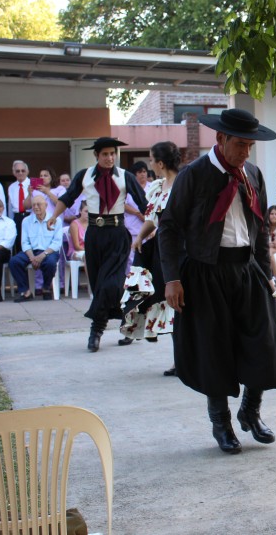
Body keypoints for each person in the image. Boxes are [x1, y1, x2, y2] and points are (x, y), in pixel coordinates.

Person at [158, 108, 276, 455]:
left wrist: (266, 272)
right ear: (220, 139)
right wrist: (172, 278)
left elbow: (260, 227)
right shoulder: (194, 175)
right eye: (241, 145)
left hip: (246, 268)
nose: (246, 152)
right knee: (213, 348)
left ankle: (251, 410)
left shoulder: (253, 174)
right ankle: (221, 421)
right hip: (205, 271)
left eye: (251, 146)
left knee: (266, 343)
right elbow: (169, 227)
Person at [48, 137, 148, 352]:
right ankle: (128, 322)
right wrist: (53, 217)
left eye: (113, 153)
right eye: (105, 154)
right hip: (94, 236)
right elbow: (68, 197)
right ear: (96, 155)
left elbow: (144, 204)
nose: (110, 158)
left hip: (118, 235)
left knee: (110, 284)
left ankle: (96, 330)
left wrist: (159, 223)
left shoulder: (125, 177)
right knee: (100, 285)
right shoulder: (84, 176)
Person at [119, 142, 180, 377]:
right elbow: (152, 218)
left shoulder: (183, 185)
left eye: (152, 160)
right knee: (169, 302)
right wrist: (140, 238)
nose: (150, 163)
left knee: (183, 305)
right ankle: (180, 360)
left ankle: (190, 360)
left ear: (161, 163)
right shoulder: (157, 186)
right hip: (161, 249)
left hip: (181, 251)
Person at [9, 195, 62, 302]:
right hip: (31, 252)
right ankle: (26, 291)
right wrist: (32, 257)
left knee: (50, 263)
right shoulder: (26, 221)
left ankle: (46, 288)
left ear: (46, 205)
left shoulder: (56, 220)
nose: (36, 207)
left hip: (48, 251)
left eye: (39, 204)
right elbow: (25, 242)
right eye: (33, 205)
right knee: (14, 261)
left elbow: (57, 243)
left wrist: (42, 255)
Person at [6, 160, 31, 253]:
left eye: (23, 170)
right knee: (19, 242)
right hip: (18, 217)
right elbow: (10, 208)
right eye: (17, 171)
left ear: (27, 171)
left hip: (30, 215)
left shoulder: (34, 183)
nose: (20, 173)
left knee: (31, 241)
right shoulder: (11, 187)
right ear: (14, 173)